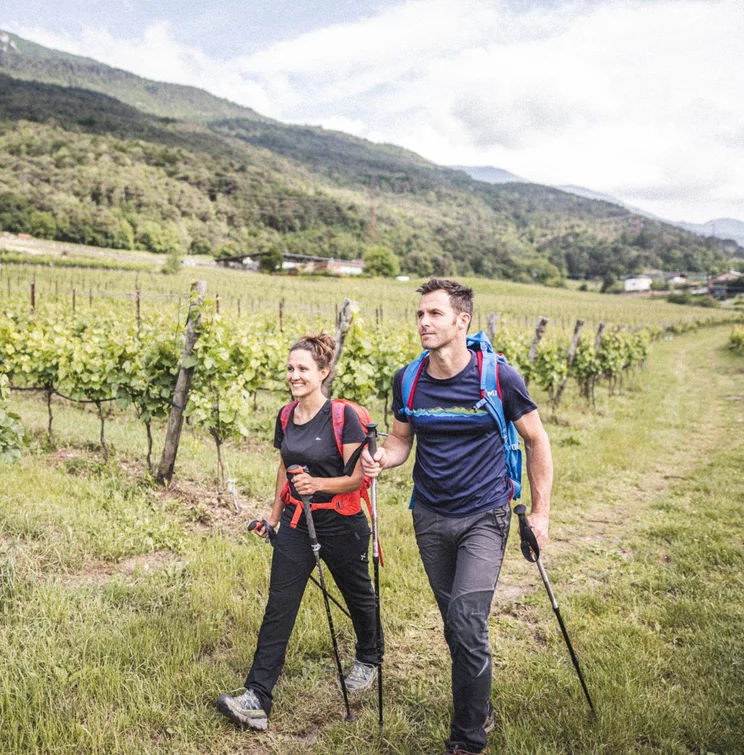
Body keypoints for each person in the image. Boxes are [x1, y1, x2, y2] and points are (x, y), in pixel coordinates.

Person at [361, 278, 553, 755]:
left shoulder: (499, 378)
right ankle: (479, 702)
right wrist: (382, 458)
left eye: (435, 314)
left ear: (462, 320)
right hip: (429, 516)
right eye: (420, 314)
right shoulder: (408, 379)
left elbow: (536, 439)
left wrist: (541, 513)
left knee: (467, 621)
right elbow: (401, 439)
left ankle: (466, 739)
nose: (424, 322)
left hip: (485, 515)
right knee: (456, 625)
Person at [215, 332, 383, 732]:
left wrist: (317, 484)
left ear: (323, 372)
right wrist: (273, 517)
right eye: (290, 368)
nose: (294, 375)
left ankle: (369, 657)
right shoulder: (286, 415)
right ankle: (258, 696)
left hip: (341, 522)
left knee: (359, 596)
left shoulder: (344, 417)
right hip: (295, 522)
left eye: (303, 369)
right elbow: (284, 467)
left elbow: (357, 479)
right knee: (279, 605)